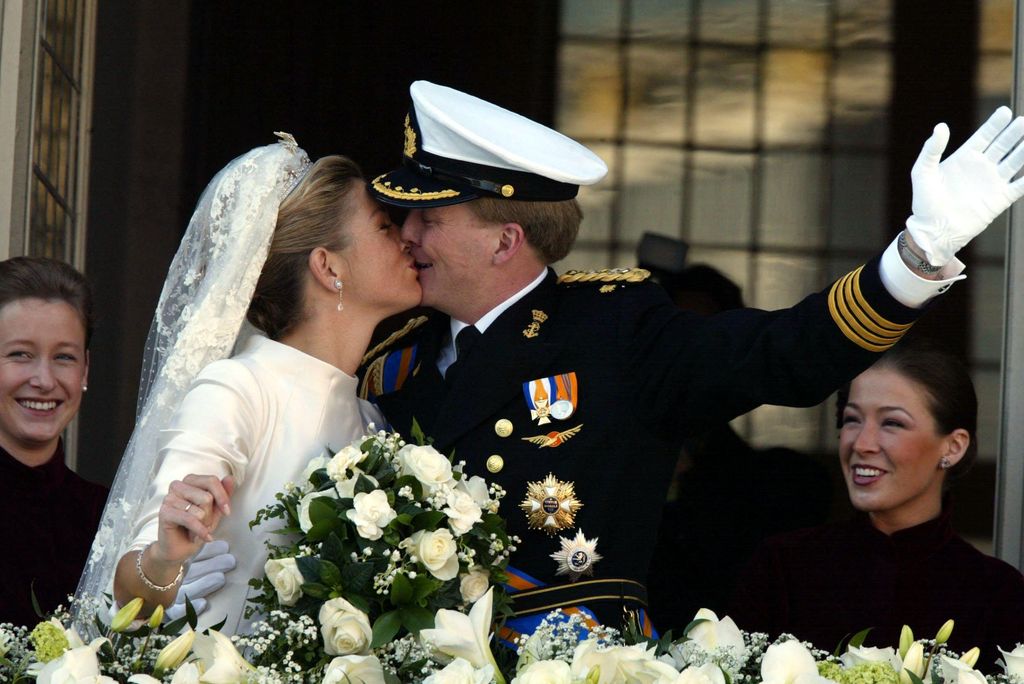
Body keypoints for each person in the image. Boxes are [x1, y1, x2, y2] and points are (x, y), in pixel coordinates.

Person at [359, 80, 1024, 636]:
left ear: (505, 241)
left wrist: (917, 255)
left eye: (430, 219)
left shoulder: (618, 334)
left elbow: (783, 352)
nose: (406, 234)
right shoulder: (394, 359)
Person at [75, 134, 421, 633]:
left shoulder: (369, 416)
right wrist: (164, 563)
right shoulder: (239, 388)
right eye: (385, 226)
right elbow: (130, 585)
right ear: (328, 266)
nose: (407, 237)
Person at [729, 343, 1024, 668]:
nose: (862, 443)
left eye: (892, 423)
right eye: (852, 420)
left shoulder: (998, 593)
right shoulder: (781, 567)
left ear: (953, 447)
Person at [644, 262, 832, 632]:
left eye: (704, 340)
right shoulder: (617, 445)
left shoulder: (766, 483)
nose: (688, 357)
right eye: (675, 339)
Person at [0, 257, 105, 626]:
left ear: (85, 370)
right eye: (20, 355)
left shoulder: (106, 518)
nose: (44, 380)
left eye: (64, 357)